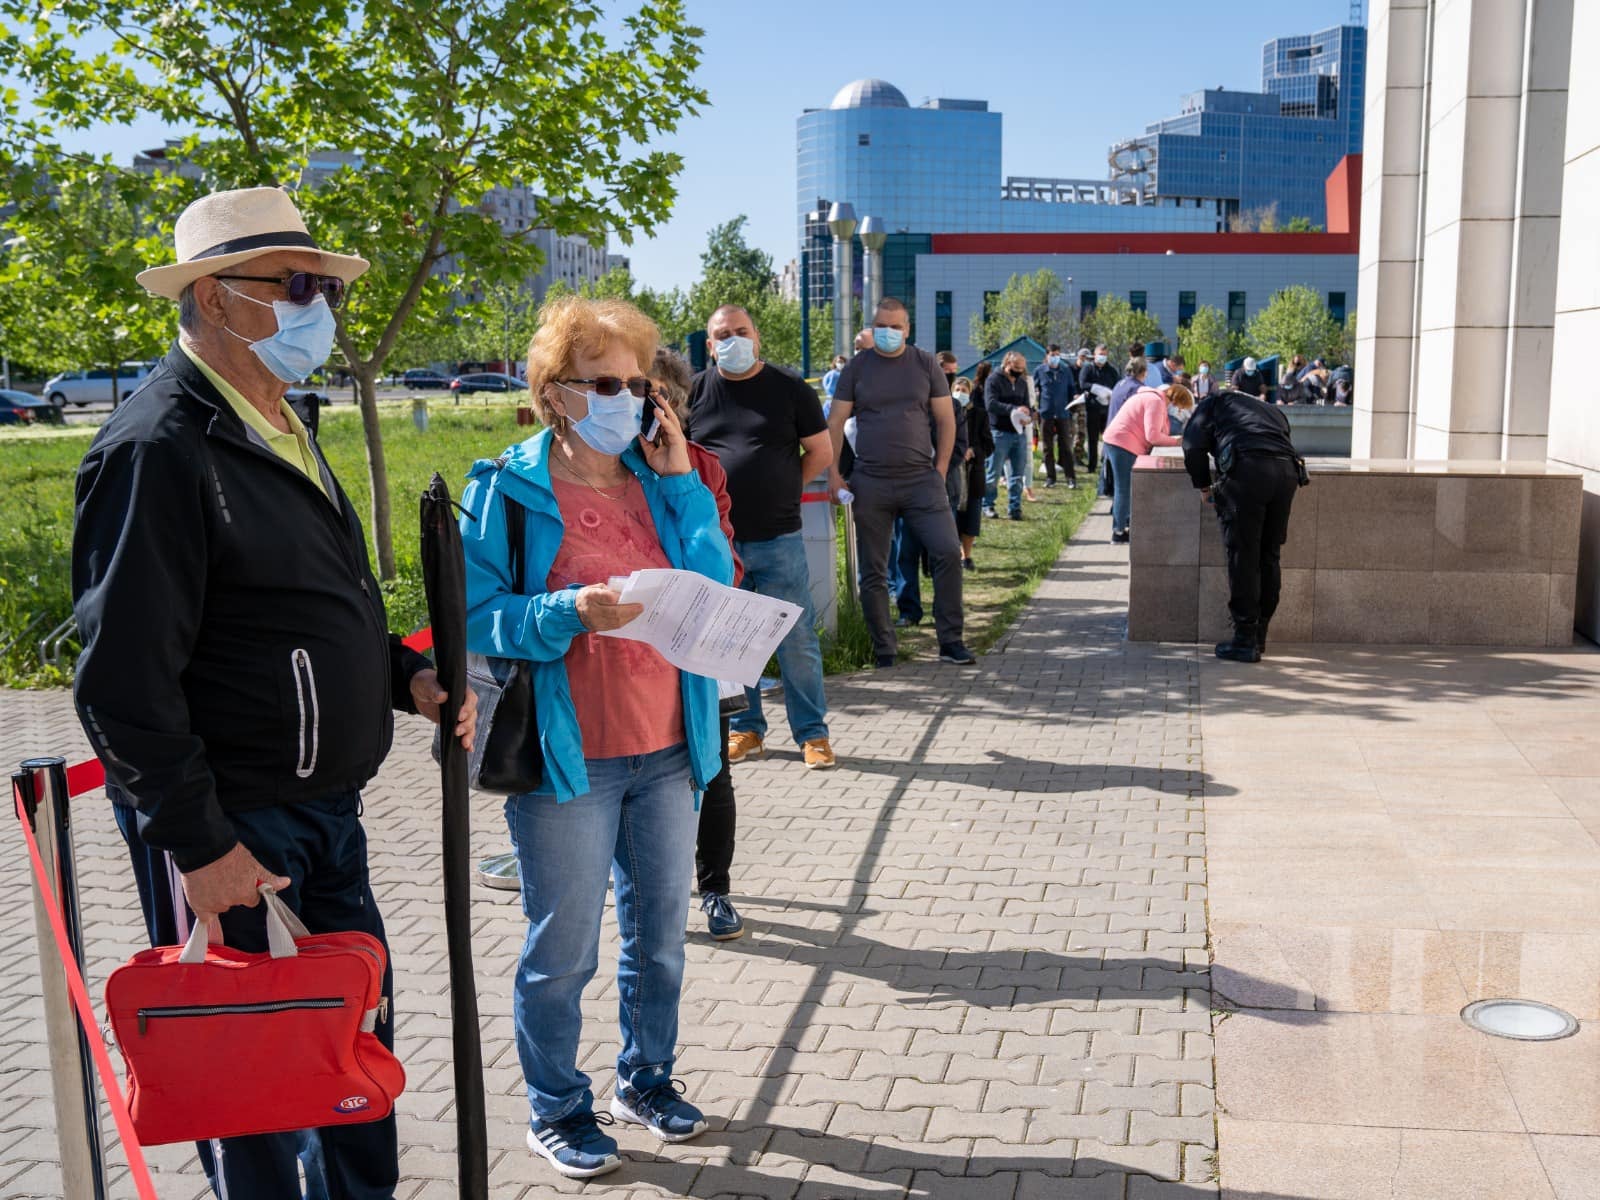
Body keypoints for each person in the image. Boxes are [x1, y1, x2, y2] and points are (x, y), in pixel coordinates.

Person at [71, 186, 477, 1200]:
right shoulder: (156, 447)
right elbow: (121, 680)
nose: (319, 307)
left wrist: (406, 678)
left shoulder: (282, 420)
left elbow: (313, 601)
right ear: (215, 297)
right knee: (252, 1086)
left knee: (351, 1048)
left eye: (324, 288)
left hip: (325, 813)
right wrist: (199, 846)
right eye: (296, 286)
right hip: (237, 825)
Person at [461, 296, 733, 1179]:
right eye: (605, 383)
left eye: (638, 383)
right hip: (566, 759)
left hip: (669, 745)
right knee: (563, 951)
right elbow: (475, 615)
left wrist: (683, 479)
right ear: (554, 391)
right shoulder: (505, 488)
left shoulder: (662, 479)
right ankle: (557, 1109)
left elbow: (714, 585)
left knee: (660, 939)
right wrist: (563, 613)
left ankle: (645, 1080)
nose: (628, 399)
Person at [689, 305, 836, 771]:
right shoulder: (695, 392)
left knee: (796, 640)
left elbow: (821, 451)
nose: (732, 340)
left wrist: (786, 487)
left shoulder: (790, 388)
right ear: (710, 346)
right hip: (718, 542)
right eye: (722, 335)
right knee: (731, 641)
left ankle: (812, 734)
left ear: (757, 337)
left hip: (778, 538)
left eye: (741, 331)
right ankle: (746, 730)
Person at [654, 347, 747, 941]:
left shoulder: (704, 467)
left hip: (695, 643)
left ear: (681, 404)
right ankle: (649, 895)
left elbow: (727, 562)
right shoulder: (590, 467)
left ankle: (715, 890)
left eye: (659, 395)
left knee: (711, 773)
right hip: (621, 651)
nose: (647, 408)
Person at [826, 297, 974, 668]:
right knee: (873, 571)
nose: (888, 332)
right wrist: (833, 474)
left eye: (895, 327)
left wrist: (940, 470)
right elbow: (835, 423)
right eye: (881, 326)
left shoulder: (925, 364)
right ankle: (884, 650)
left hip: (922, 480)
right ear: (873, 327)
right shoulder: (857, 368)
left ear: (907, 330)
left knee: (947, 552)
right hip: (871, 481)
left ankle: (951, 641)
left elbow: (946, 419)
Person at [1182, 384, 1302, 663]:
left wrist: (1203, 486)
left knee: (1243, 554)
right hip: (1286, 473)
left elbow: (1192, 445)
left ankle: (1245, 638)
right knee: (1269, 555)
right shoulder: (1270, 410)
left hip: (1248, 471)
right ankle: (1259, 634)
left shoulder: (1213, 403)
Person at [893, 352, 972, 624]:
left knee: (944, 553)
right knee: (906, 552)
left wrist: (937, 470)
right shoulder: (902, 406)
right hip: (905, 490)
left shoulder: (952, 406)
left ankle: (944, 610)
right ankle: (908, 610)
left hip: (941, 490)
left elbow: (960, 446)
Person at [1102, 381, 1192, 544]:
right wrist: (1176, 442)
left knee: (1124, 487)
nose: (1179, 412)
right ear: (1176, 401)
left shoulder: (1154, 399)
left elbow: (1159, 432)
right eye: (1180, 408)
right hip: (1122, 443)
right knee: (1124, 488)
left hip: (1121, 441)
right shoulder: (1155, 402)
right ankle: (1118, 532)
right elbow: (1153, 436)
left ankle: (1124, 523)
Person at [983, 350, 1033, 521]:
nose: (1020, 371)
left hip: (1019, 433)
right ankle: (988, 505)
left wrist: (1027, 414)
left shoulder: (1022, 383)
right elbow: (991, 404)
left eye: (1022, 368)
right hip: (999, 432)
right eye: (1017, 367)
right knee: (994, 473)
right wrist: (1013, 409)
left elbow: (1027, 404)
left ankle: (1015, 507)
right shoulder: (993, 380)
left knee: (1018, 474)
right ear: (1007, 364)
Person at [951, 374, 994, 570]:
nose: (960, 393)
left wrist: (973, 451)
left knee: (971, 518)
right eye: (957, 390)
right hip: (951, 472)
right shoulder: (944, 413)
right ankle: (951, 556)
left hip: (972, 473)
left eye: (964, 390)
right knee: (951, 518)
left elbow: (989, 445)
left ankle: (966, 556)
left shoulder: (979, 415)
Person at [1033, 343, 1078, 490]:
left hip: (1063, 413)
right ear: (1047, 356)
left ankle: (1070, 478)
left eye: (1057, 355)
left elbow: (1072, 389)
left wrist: (1075, 397)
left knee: (1066, 446)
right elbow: (1034, 390)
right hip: (1046, 413)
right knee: (1047, 447)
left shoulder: (1065, 371)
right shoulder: (1040, 371)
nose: (1055, 357)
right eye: (1052, 355)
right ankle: (1050, 477)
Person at [1076, 344, 1119, 484]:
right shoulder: (1088, 368)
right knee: (1092, 438)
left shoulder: (1111, 370)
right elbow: (1083, 383)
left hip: (1107, 409)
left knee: (1109, 438)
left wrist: (1110, 393)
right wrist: (1096, 389)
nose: (1102, 357)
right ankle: (1092, 465)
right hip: (1092, 407)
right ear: (1094, 355)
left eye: (1104, 354)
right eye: (1100, 354)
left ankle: (1107, 462)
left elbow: (1117, 385)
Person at [1108, 356, 1148, 424]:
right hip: (1123, 428)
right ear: (1144, 372)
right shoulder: (1138, 388)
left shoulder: (1119, 383)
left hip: (1111, 427)